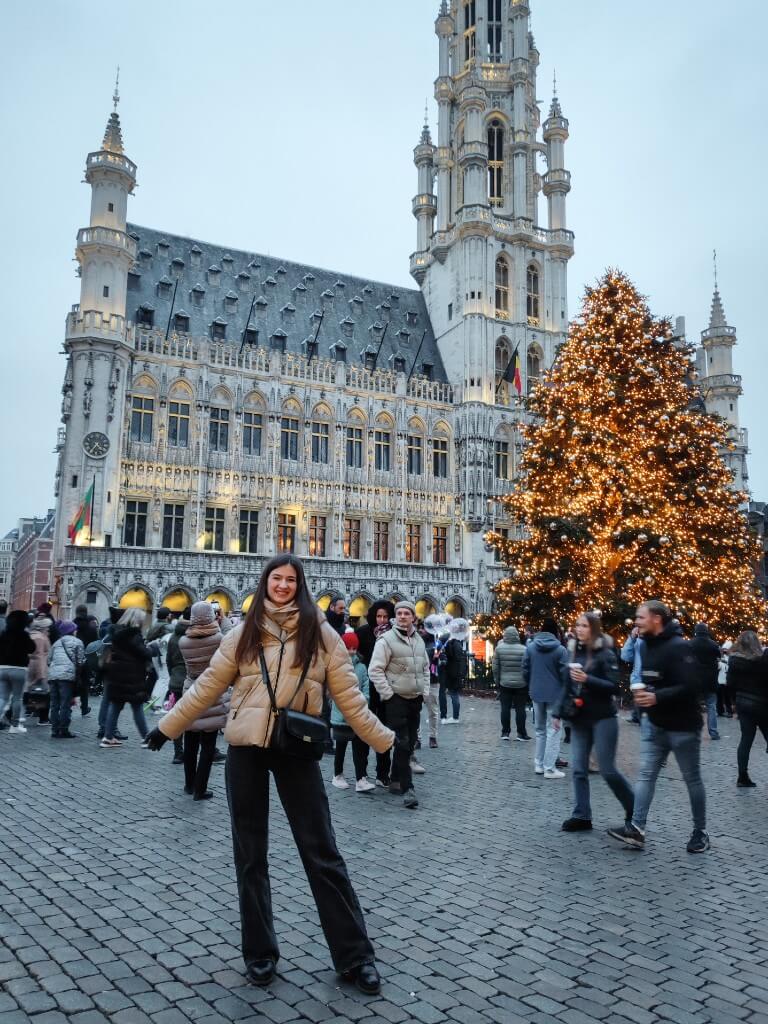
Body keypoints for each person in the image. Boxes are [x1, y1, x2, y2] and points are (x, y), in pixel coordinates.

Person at [145, 554, 394, 995]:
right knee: (250, 856)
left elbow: (350, 697)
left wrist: (384, 740)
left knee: (322, 853)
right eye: (276, 578)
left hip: (296, 749)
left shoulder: (323, 635)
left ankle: (355, 956)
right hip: (246, 749)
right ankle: (259, 953)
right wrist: (169, 727)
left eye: (290, 579)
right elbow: (207, 685)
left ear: (301, 585)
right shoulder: (242, 633)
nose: (282, 585)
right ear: (265, 583)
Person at [608, 601, 708, 854]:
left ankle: (700, 832)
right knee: (645, 775)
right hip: (656, 724)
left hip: (683, 727)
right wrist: (648, 698)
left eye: (641, 617)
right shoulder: (647, 645)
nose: (636, 621)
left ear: (656, 619)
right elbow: (653, 679)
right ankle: (637, 829)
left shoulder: (678, 647)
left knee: (691, 779)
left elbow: (691, 685)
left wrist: (656, 697)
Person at [559, 613, 634, 832]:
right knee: (579, 768)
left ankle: (634, 808)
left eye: (584, 625)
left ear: (594, 629)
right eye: (577, 625)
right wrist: (557, 712)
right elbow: (566, 684)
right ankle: (582, 815)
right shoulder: (573, 651)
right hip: (580, 716)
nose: (579, 629)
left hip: (603, 716)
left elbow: (614, 686)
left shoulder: (605, 654)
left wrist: (587, 679)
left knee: (607, 769)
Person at [368, 600, 430, 809]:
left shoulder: (419, 641)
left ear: (413, 617)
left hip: (415, 699)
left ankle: (395, 778)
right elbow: (375, 670)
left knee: (410, 742)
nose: (402, 616)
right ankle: (408, 788)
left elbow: (425, 668)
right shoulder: (385, 640)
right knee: (402, 742)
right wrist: (389, 695)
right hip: (396, 700)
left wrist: (425, 691)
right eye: (399, 613)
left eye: (407, 613)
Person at [178, 602, 228, 800]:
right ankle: (200, 788)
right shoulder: (219, 640)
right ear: (211, 616)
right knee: (208, 746)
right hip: (212, 693)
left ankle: (189, 785)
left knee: (190, 742)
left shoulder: (184, 641)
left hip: (190, 691)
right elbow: (231, 640)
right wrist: (222, 620)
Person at [101, 608, 154, 748]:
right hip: (132, 675)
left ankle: (107, 737)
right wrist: (152, 650)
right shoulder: (133, 635)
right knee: (137, 706)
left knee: (116, 705)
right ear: (137, 620)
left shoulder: (117, 633)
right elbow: (143, 653)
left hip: (117, 673)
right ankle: (146, 738)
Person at [523, 617, 568, 778]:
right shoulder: (560, 650)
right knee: (554, 730)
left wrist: (531, 684)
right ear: (556, 632)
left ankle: (539, 764)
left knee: (540, 730)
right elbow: (565, 675)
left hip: (536, 692)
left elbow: (525, 670)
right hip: (554, 694)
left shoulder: (531, 647)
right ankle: (549, 768)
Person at [356, 600, 395, 786]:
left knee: (385, 731)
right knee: (363, 731)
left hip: (387, 690)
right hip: (367, 689)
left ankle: (382, 774)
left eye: (385, 616)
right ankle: (361, 774)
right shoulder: (363, 633)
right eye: (379, 616)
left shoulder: (395, 635)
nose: (381, 620)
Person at [331, 632, 375, 793]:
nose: (351, 651)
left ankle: (360, 778)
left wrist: (361, 701)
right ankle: (337, 774)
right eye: (348, 647)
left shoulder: (362, 667)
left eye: (353, 648)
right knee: (341, 747)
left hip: (358, 714)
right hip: (341, 715)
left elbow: (366, 688)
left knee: (359, 748)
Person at [726, 630, 768, 788]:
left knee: (746, 740)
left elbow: (730, 684)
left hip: (743, 703)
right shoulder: (761, 660)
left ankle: (742, 776)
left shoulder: (734, 660)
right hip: (762, 703)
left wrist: (734, 703)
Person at [47, 621, 85, 739]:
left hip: (53, 676)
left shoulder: (56, 643)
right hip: (67, 677)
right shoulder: (78, 642)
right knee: (65, 703)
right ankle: (63, 730)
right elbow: (81, 661)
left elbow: (49, 660)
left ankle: (54, 729)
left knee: (54, 704)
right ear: (71, 630)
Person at [0, 610, 35, 734]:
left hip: (2, 668)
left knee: (2, 698)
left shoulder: (4, 634)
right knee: (17, 698)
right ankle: (14, 725)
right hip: (19, 669)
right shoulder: (23, 635)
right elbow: (32, 648)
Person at [493, 626, 529, 740]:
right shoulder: (524, 649)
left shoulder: (499, 649)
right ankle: (521, 733)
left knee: (505, 708)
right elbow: (527, 667)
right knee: (520, 708)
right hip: (521, 683)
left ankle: (505, 732)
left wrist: (497, 681)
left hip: (505, 682)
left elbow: (495, 668)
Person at [166, 613, 190, 763]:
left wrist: (173, 675)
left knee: (178, 718)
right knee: (193, 718)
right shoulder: (190, 640)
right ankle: (190, 751)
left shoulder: (173, 639)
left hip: (175, 681)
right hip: (189, 682)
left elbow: (168, 661)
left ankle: (178, 752)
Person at [690, 622, 721, 741]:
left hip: (695, 680)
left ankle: (694, 732)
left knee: (694, 706)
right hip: (710, 680)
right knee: (711, 706)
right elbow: (718, 656)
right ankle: (713, 732)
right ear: (706, 631)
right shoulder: (713, 644)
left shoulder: (690, 644)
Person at [439, 618, 468, 724]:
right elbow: (461, 659)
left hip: (448, 672)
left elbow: (444, 654)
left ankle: (445, 716)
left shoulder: (449, 641)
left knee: (447, 693)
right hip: (456, 672)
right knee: (453, 694)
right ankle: (455, 717)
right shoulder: (458, 642)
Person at [26, 616, 52, 725]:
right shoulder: (41, 638)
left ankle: (30, 710)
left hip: (29, 665)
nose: (49, 630)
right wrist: (41, 673)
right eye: (47, 628)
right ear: (43, 628)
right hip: (39, 666)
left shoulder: (30, 635)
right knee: (44, 692)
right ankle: (43, 718)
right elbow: (40, 655)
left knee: (29, 690)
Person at [620, 627, 644, 724]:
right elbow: (625, 656)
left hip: (649, 681)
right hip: (637, 679)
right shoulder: (637, 641)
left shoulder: (656, 641)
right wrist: (632, 638)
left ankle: (637, 717)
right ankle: (636, 716)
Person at [717, 642, 734, 718]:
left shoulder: (731, 658)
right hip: (720, 680)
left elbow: (731, 666)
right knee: (719, 697)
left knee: (727, 697)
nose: (724, 651)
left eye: (726, 649)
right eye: (724, 649)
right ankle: (720, 711)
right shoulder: (719, 658)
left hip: (727, 680)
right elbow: (718, 667)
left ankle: (729, 711)